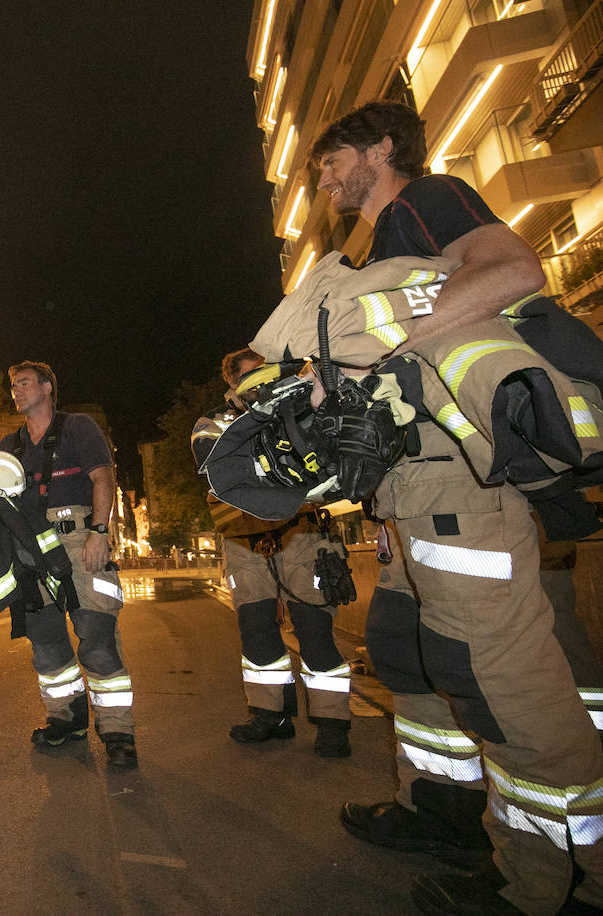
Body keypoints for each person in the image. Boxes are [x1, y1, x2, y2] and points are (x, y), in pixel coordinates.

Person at [310, 100, 603, 915]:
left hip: (462, 489)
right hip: (415, 492)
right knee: (408, 650)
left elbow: (515, 271)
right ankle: (444, 815)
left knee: (499, 678)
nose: (326, 178)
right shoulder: (380, 245)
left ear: (380, 149)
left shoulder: (425, 200)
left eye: (335, 160)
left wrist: (379, 351)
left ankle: (557, 885)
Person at [210, 348, 354, 757]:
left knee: (314, 629)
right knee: (256, 634)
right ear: (234, 385)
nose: (268, 381)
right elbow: (220, 474)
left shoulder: (301, 405)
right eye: (254, 376)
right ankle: (268, 716)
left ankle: (332, 723)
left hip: (301, 532)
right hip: (244, 539)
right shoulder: (218, 424)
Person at [0, 360, 136, 768]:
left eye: (23, 383)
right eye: (13, 386)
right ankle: (65, 718)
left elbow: (103, 478)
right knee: (45, 640)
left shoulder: (79, 427)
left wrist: (99, 532)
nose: (16, 391)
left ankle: (117, 731)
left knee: (96, 634)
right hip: (30, 549)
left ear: (47, 387)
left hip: (78, 537)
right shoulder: (10, 445)